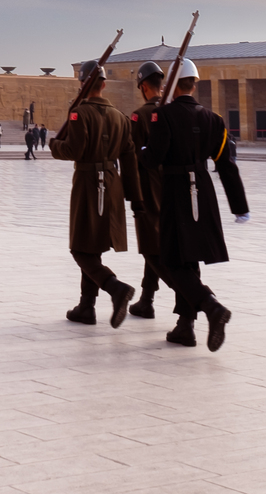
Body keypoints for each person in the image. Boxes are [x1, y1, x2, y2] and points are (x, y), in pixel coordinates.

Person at [138, 58, 241, 352]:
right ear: (194, 83)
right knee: (190, 258)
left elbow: (153, 158)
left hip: (176, 190)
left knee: (171, 260)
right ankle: (185, 326)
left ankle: (211, 306)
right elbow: (225, 165)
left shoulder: (164, 115)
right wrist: (239, 206)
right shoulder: (214, 118)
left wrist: (145, 148)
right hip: (204, 191)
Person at [49, 59, 139, 329]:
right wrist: (134, 196)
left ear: (83, 84)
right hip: (112, 183)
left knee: (80, 249)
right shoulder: (120, 117)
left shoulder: (80, 113)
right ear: (103, 84)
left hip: (88, 183)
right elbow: (130, 157)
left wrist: (55, 146)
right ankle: (86, 306)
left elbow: (74, 150)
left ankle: (115, 288)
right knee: (92, 247)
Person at [126, 61, 175, 321]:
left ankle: (196, 297)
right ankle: (146, 300)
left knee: (150, 247)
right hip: (173, 189)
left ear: (144, 87)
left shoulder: (140, 115)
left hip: (149, 189)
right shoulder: (171, 112)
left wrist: (133, 195)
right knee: (156, 245)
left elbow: (134, 158)